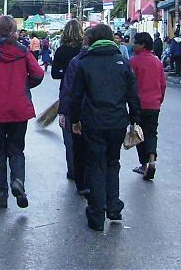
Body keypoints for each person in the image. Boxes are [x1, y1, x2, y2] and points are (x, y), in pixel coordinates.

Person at [70, 24, 140, 231]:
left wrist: (75, 120)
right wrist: (135, 119)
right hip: (118, 121)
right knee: (113, 162)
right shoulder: (122, 62)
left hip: (93, 121)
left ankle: (96, 214)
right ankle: (113, 206)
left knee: (95, 165)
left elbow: (76, 96)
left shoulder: (85, 63)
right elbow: (133, 95)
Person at [0, 16, 44, 208]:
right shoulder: (24, 52)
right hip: (19, 108)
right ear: (15, 30)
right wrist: (25, 85)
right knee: (17, 149)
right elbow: (38, 74)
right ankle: (18, 180)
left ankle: (0, 194)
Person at [51, 19, 84, 181]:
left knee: (69, 136)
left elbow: (54, 74)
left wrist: (66, 73)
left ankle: (72, 170)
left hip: (67, 93)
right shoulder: (85, 50)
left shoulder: (61, 51)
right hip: (86, 95)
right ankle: (85, 169)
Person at [130, 32, 166, 180]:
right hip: (154, 104)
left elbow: (130, 85)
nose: (134, 45)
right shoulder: (157, 62)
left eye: (136, 42)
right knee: (151, 133)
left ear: (142, 45)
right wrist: (159, 100)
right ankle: (152, 161)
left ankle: (143, 165)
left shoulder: (134, 62)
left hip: (139, 105)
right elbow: (163, 84)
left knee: (139, 134)